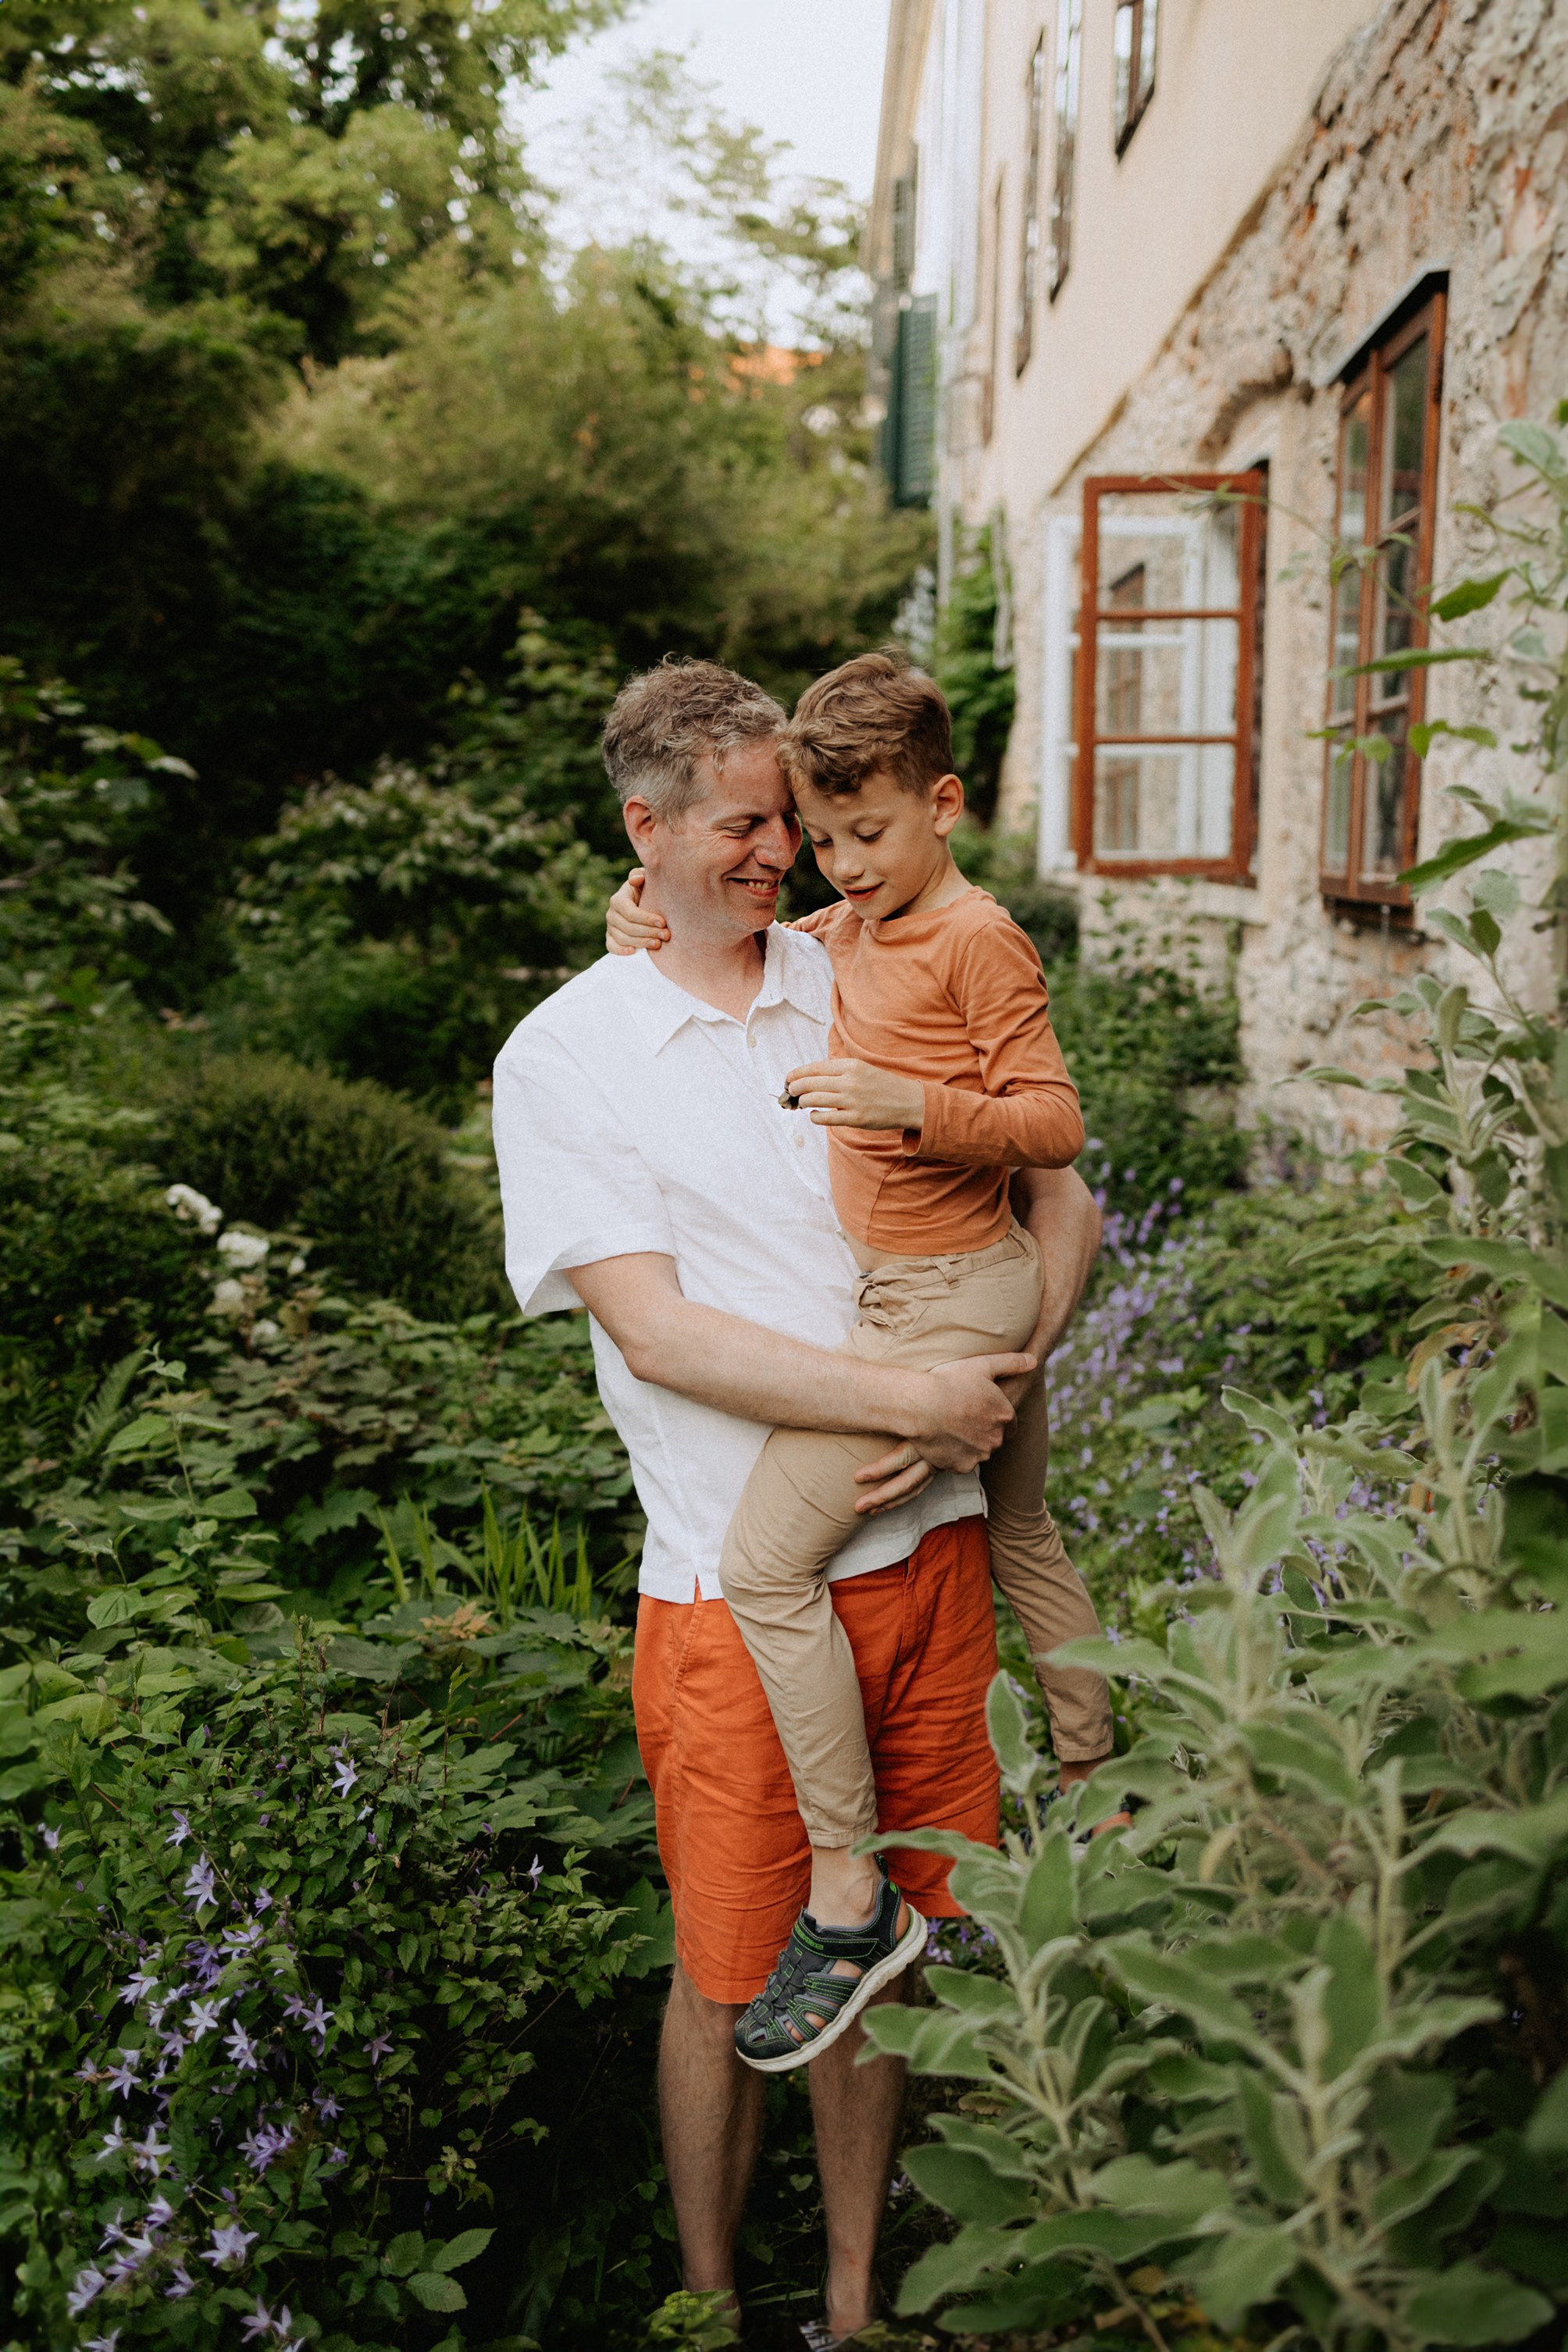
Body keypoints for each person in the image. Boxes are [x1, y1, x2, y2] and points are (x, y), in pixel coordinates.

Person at [492, 657, 1103, 2343]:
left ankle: (847, 2303)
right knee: (730, 1969)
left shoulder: (860, 969)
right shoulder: (569, 1053)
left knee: (885, 1960)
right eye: (748, 827)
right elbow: (658, 1329)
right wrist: (913, 1397)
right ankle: (706, 2305)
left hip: (927, 1558)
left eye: (796, 821)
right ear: (649, 831)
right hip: (730, 1588)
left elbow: (1061, 1192)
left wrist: (1005, 1374)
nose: (785, 856)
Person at [604, 650, 1116, 2076]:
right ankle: (1092, 1763)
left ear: (943, 805)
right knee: (1020, 1524)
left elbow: (1056, 1130)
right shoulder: (849, 929)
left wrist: (909, 1107)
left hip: (948, 1301)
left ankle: (850, 1893)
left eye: (856, 837)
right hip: (933, 1302)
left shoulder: (972, 935)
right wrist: (642, 912)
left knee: (767, 1564)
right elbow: (740, 930)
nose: (829, 866)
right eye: (811, 839)